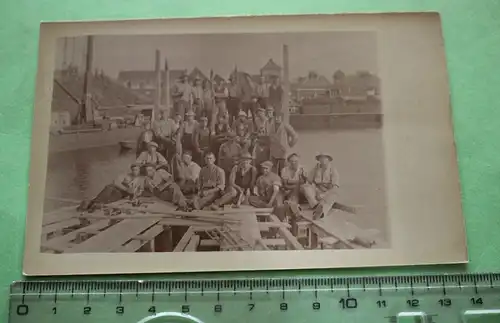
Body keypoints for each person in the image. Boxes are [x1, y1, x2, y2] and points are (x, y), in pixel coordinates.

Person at [78, 163, 144, 211]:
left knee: (108, 194)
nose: (134, 171)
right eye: (133, 170)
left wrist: (134, 195)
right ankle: (93, 203)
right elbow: (115, 182)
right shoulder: (126, 175)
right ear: (131, 170)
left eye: (136, 170)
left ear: (139, 170)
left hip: (120, 194)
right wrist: (126, 189)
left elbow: (140, 191)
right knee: (109, 187)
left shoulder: (141, 180)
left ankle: (92, 203)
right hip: (116, 189)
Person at [301, 152, 340, 219]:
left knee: (332, 197)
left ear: (329, 159)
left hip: (328, 192)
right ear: (319, 160)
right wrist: (313, 189)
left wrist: (324, 195)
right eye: (321, 158)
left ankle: (321, 212)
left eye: (325, 158)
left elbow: (335, 187)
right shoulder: (315, 168)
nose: (323, 160)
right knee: (305, 187)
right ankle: (316, 206)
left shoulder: (333, 170)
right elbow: (309, 181)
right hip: (317, 190)